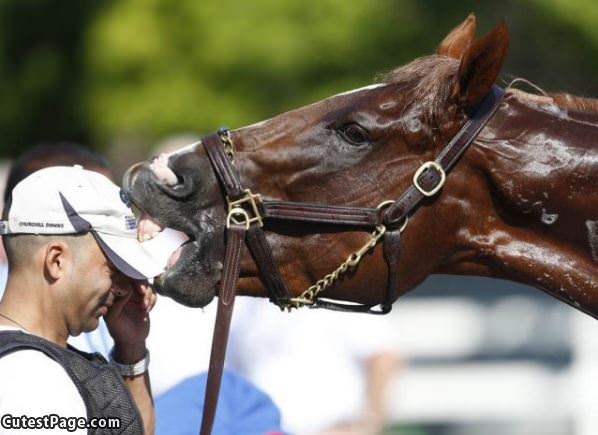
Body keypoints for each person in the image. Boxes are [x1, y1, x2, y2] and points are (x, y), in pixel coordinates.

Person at [0, 165, 167, 434]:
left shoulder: (35, 367)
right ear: (57, 260)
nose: (126, 288)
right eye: (113, 269)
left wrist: (131, 349)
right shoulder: (31, 379)